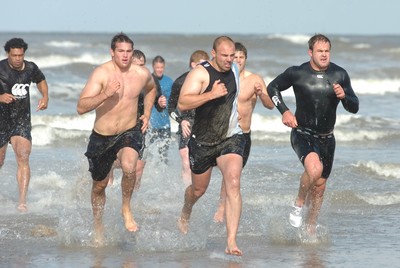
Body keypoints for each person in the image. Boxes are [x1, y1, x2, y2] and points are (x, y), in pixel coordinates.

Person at [267, 34, 359, 232]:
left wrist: (344, 97)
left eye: (327, 51)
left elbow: (355, 106)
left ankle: (310, 228)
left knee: (319, 188)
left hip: (327, 138)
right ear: (311, 52)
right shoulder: (297, 73)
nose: (324, 55)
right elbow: (272, 87)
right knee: (314, 170)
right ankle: (299, 203)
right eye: (320, 51)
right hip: (302, 133)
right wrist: (284, 111)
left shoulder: (340, 74)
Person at [77, 33, 156, 244]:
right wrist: (105, 94)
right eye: (121, 51)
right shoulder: (101, 74)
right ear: (112, 52)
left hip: (129, 132)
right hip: (102, 137)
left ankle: (126, 208)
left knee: (130, 167)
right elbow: (81, 107)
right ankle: (98, 225)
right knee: (99, 186)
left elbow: (151, 89)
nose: (125, 55)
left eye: (129, 51)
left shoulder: (141, 73)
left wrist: (147, 113)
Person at [177, 36, 245, 256]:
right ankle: (186, 210)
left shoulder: (234, 69)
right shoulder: (200, 73)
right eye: (224, 56)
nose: (229, 60)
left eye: (232, 55)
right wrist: (211, 94)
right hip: (203, 141)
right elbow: (183, 102)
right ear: (213, 53)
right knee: (198, 190)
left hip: (230, 137)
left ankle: (231, 241)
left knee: (233, 182)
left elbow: (234, 99)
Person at [213, 41, 275, 223]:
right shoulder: (222, 78)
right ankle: (219, 205)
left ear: (246, 59)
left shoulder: (255, 79)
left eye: (241, 57)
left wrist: (261, 94)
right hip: (223, 132)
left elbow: (270, 105)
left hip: (244, 134)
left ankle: (224, 205)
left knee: (232, 174)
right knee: (227, 172)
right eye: (235, 57)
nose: (238, 60)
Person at [0, 38, 49, 212]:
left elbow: (41, 81)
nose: (17, 59)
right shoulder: (0, 68)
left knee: (23, 157)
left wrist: (45, 96)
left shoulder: (31, 68)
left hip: (21, 120)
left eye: (20, 55)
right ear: (8, 54)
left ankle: (22, 201)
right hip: (1, 121)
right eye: (14, 55)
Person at [107, 49, 164, 187]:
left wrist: (160, 104)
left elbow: (157, 102)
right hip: (117, 126)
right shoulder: (118, 77)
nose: (141, 69)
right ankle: (109, 177)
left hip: (139, 127)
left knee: (137, 168)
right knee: (112, 162)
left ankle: (132, 201)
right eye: (137, 65)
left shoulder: (150, 80)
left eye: (143, 65)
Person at [168, 50, 210, 187]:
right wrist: (181, 121)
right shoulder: (180, 82)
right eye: (201, 65)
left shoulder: (210, 81)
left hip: (204, 125)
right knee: (186, 161)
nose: (205, 68)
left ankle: (199, 190)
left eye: (206, 65)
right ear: (193, 64)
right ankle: (186, 190)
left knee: (203, 163)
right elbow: (171, 108)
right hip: (186, 124)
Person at [149, 55, 173, 163]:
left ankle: (163, 178)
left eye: (161, 67)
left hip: (165, 124)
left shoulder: (169, 81)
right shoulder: (148, 80)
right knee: (149, 154)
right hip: (151, 124)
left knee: (164, 155)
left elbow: (174, 101)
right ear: (153, 67)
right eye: (157, 67)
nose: (159, 70)